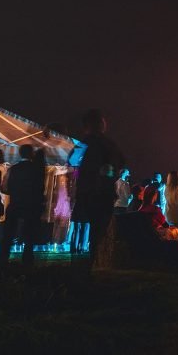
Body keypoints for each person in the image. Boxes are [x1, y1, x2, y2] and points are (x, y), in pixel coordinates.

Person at [70, 110, 123, 268]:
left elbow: (72, 160)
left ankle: (87, 263)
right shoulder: (108, 144)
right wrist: (108, 173)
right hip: (102, 192)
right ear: (99, 124)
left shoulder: (82, 144)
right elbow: (119, 163)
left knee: (89, 227)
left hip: (86, 192)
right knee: (100, 229)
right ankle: (97, 262)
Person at [0, 145, 45, 266]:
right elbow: (40, 188)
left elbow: (4, 188)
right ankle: (27, 260)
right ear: (31, 154)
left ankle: (2, 259)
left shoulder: (13, 169)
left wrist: (15, 191)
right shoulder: (36, 169)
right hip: (31, 205)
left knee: (8, 234)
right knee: (30, 235)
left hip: (15, 203)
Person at [164, 171, 178, 241]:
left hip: (168, 214)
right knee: (177, 236)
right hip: (177, 215)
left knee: (170, 235)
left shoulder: (166, 188)